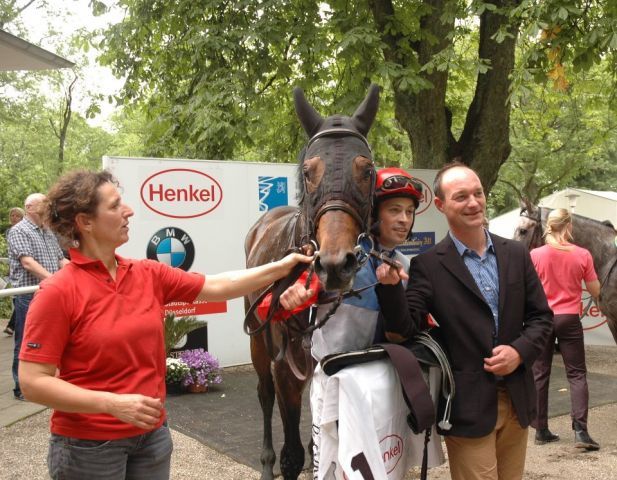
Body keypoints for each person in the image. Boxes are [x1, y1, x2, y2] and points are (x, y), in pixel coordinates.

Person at [18, 170, 312, 480]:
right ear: (85, 222)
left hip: (152, 439)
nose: (128, 211)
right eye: (116, 205)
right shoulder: (58, 292)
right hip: (88, 448)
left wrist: (283, 265)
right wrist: (111, 404)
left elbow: (219, 285)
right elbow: (33, 381)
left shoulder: (146, 274)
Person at [377, 161, 552, 480]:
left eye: (478, 193)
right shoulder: (428, 266)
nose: (473, 203)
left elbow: (541, 318)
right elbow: (405, 328)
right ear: (442, 205)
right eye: (461, 197)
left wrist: (519, 351)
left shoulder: (516, 253)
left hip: (518, 400)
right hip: (468, 406)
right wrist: (389, 289)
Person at [276, 167, 444, 479]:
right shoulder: (339, 261)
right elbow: (277, 315)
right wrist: (291, 302)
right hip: (338, 385)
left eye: (409, 212)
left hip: (380, 386)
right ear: (372, 214)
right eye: (394, 210)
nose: (404, 219)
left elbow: (402, 333)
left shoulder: (406, 265)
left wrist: (393, 290)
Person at [530, 208, 601, 450]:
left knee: (540, 373)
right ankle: (580, 432)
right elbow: (596, 291)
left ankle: (540, 429)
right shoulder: (582, 254)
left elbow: (528, 290)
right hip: (569, 318)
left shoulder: (536, 255)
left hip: (542, 319)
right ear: (568, 226)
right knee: (577, 374)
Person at [7, 195, 67, 401]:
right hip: (29, 296)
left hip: (50, 294)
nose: (49, 204)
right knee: (26, 341)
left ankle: (47, 382)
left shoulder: (47, 231)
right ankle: (22, 387)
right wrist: (55, 282)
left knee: (54, 339)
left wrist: (83, 275)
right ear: (30, 207)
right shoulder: (19, 231)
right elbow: (28, 263)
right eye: (44, 201)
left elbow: (61, 260)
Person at [3, 207, 25, 336]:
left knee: (19, 297)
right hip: (15, 267)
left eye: (17, 216)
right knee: (17, 297)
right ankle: (13, 325)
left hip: (23, 268)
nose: (14, 218)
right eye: (12, 215)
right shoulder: (10, 231)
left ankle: (12, 325)